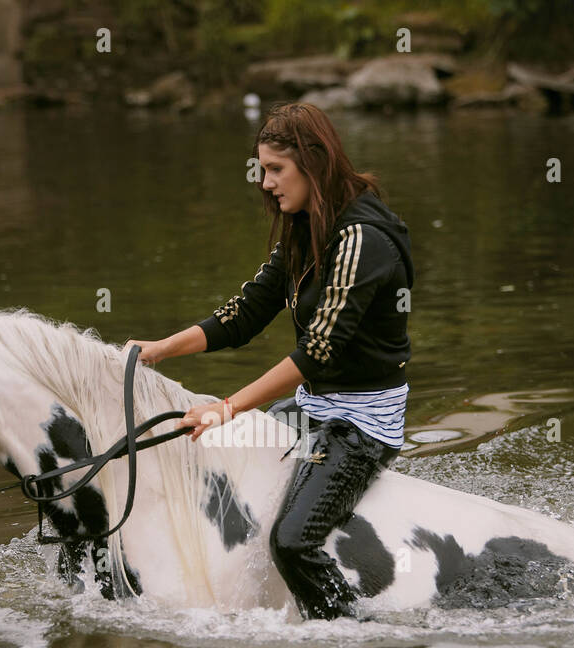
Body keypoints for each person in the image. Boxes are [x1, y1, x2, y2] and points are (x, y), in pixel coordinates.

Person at [125, 103, 414, 620]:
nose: (265, 183)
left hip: (361, 424)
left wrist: (227, 407)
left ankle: (350, 642)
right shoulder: (305, 227)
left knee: (293, 543)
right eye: (262, 170)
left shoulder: (362, 239)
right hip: (311, 408)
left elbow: (316, 353)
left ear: (314, 163)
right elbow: (245, 314)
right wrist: (162, 348)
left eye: (276, 169)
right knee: (207, 473)